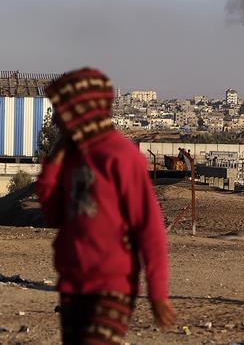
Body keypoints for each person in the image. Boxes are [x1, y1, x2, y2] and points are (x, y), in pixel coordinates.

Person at [36, 68, 176, 344]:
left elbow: (149, 229)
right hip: (72, 285)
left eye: (61, 111)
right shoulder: (73, 158)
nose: (55, 119)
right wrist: (53, 164)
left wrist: (158, 293)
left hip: (112, 287)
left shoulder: (121, 157)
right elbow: (54, 215)